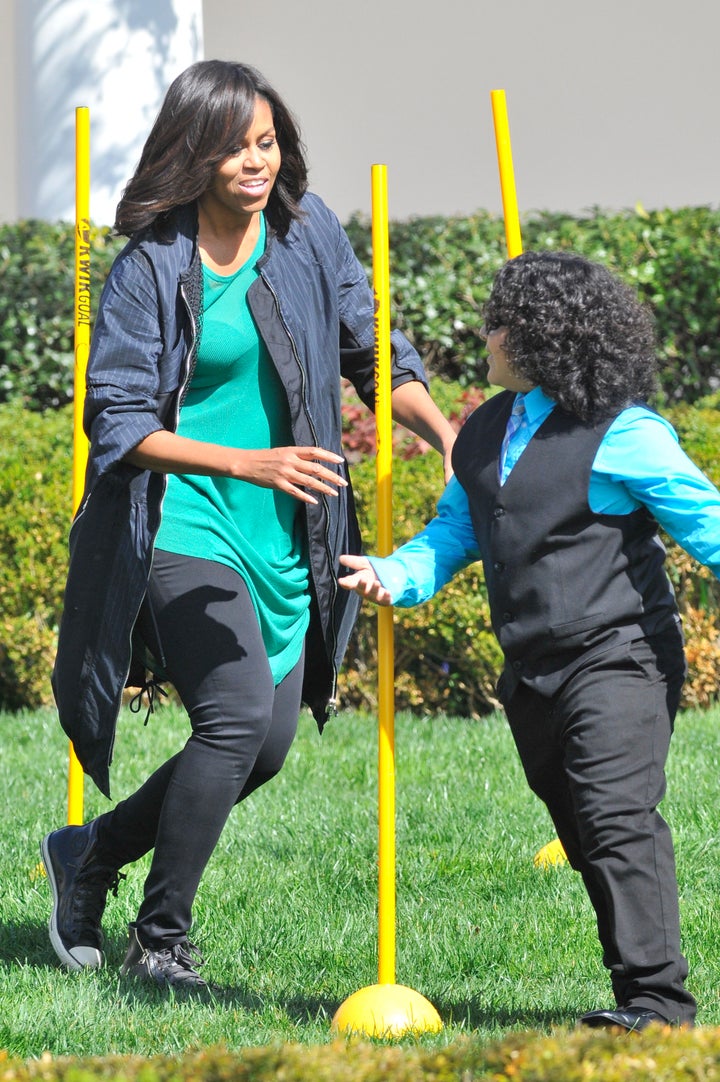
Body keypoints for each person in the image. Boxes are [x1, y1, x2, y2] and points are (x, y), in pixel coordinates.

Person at [42, 59, 456, 989]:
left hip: (284, 525)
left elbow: (370, 348)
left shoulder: (308, 237)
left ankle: (92, 854)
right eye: (233, 147)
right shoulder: (153, 264)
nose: (254, 162)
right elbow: (117, 423)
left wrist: (447, 432)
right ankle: (162, 943)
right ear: (194, 154)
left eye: (265, 142)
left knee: (259, 748)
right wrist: (243, 460)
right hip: (179, 517)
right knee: (230, 718)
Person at [340, 250, 720, 1032]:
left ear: (543, 336)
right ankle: (639, 991)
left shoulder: (623, 432)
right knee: (582, 827)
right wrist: (396, 575)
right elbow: (454, 532)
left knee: (616, 817)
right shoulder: (483, 428)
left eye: (499, 324)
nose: (487, 337)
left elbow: (708, 524)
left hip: (621, 654)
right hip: (532, 668)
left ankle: (658, 1006)